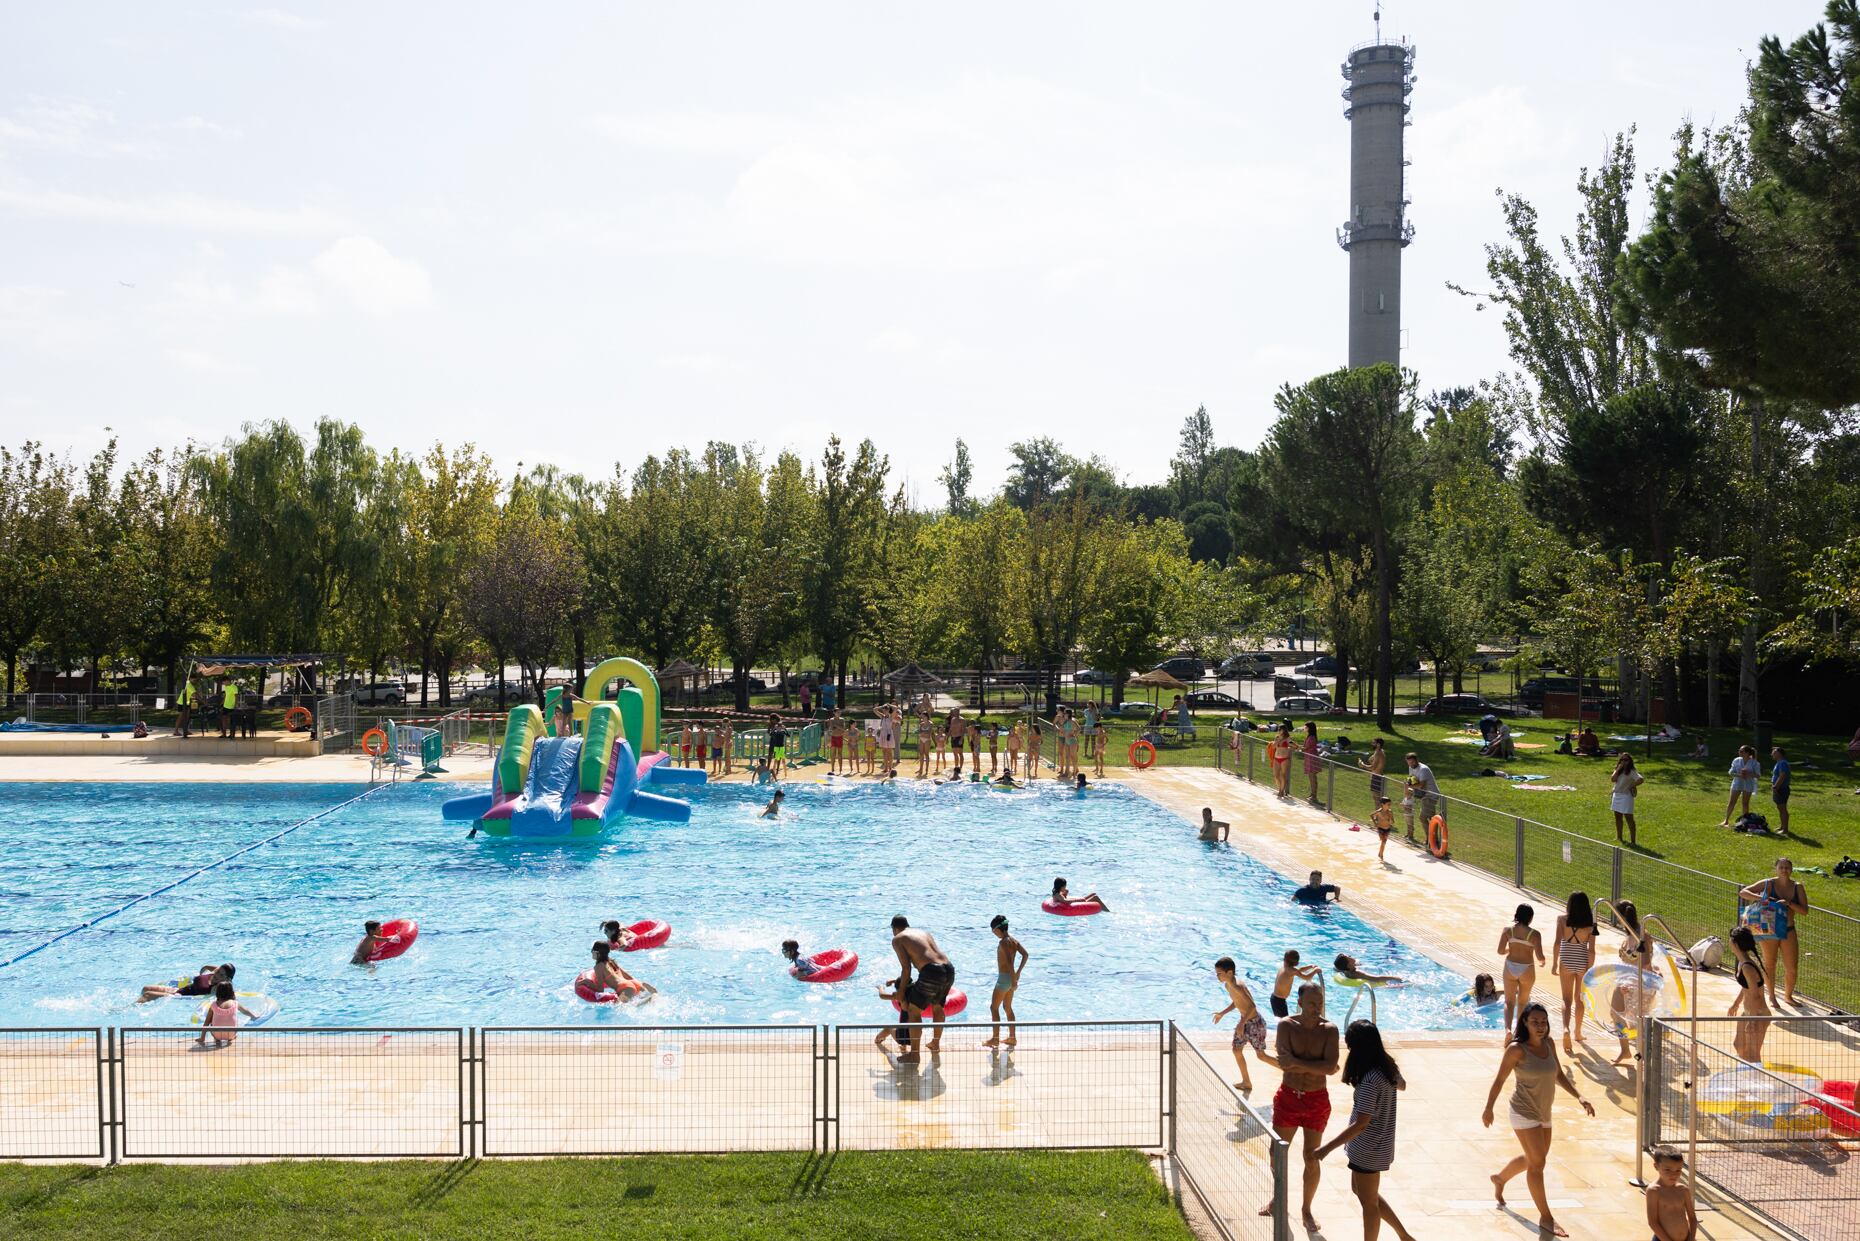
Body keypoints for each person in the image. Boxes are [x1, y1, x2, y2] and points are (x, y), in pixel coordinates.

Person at [1483, 1001, 1595, 1239]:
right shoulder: (1516, 1050)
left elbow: (1558, 1075)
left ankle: (1500, 1178)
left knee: (1534, 1157)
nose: (1540, 1026)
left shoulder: (1549, 1044)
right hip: (1523, 1111)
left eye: (1543, 1022)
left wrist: (1580, 1096)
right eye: (1535, 1022)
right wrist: (1489, 1108)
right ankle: (1546, 1216)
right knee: (1538, 1164)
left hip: (1544, 1111)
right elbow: (1499, 1080)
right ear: (1524, 1022)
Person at [1312, 1020, 1415, 1241]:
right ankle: (1404, 1236)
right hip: (1378, 1146)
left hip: (1369, 1148)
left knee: (1369, 1204)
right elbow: (1403, 1084)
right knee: (1364, 1194)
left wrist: (1326, 1149)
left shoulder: (1370, 1080)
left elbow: (1361, 1123)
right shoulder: (1386, 1069)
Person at [1263, 982, 1339, 1233]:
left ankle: (1306, 1208)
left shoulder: (1329, 1030)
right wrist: (1314, 1065)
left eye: (1320, 1003)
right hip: (1288, 1097)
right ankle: (1279, 1197)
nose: (1317, 1008)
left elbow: (1330, 1068)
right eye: (1311, 1003)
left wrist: (1297, 1062)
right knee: (1277, 1152)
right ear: (1300, 1002)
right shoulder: (1286, 1025)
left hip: (1316, 1099)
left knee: (1311, 1156)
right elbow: (1285, 1065)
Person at [1739, 857, 1808, 1008]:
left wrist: (1789, 903)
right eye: (1781, 867)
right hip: (1769, 929)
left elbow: (1804, 911)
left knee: (1792, 967)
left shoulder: (1798, 887)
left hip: (1788, 930)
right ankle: (1771, 997)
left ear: (1791, 870)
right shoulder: (1769, 883)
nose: (1784, 870)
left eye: (1787, 867)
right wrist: (1762, 898)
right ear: (1776, 869)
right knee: (1769, 964)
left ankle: (1788, 996)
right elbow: (1743, 892)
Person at [891, 915, 955, 1061]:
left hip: (931, 972)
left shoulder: (898, 938)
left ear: (894, 929)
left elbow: (906, 969)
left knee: (914, 1010)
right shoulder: (923, 933)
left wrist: (901, 993)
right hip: (948, 968)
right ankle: (935, 1043)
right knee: (938, 1008)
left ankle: (914, 1054)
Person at [1211, 956, 1273, 1092]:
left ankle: (1291, 1072)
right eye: (1216, 974)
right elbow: (1237, 1002)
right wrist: (1222, 1013)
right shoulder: (1228, 985)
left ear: (1229, 972)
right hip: (1244, 1021)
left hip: (1255, 1023)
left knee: (1261, 1056)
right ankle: (1246, 1082)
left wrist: (1241, 1023)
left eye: (1219, 973)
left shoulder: (1238, 985)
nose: (1217, 976)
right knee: (1236, 1050)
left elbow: (1252, 1006)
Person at [1550, 892, 1596, 1054]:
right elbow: (1591, 951)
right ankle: (1577, 1032)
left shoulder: (1562, 920)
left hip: (1566, 961)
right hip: (1582, 962)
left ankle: (1565, 1029)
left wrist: (1554, 963)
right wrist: (1590, 970)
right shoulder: (1591, 925)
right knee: (1580, 999)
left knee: (1566, 999)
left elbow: (1557, 943)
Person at [1613, 899, 1654, 1065]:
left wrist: (1630, 984)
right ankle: (1627, 1051)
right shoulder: (1631, 934)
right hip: (1628, 981)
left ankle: (1640, 1056)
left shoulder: (1641, 936)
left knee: (1636, 1021)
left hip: (1637, 984)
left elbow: (1645, 964)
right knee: (1618, 1014)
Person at [1497, 904, 1545, 1040]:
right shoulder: (1534, 934)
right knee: (1523, 1002)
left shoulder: (1508, 931)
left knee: (1509, 1001)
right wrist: (1543, 961)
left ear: (1516, 915)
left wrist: (1509, 950)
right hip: (1527, 968)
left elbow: (1500, 951)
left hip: (1510, 967)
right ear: (1530, 918)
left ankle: (1507, 1030)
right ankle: (1519, 1031)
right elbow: (1539, 956)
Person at [1726, 925, 1772, 1064]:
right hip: (1749, 1012)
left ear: (1735, 943)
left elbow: (1756, 996)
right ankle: (1747, 1078)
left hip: (1758, 1014)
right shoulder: (1743, 963)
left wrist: (1752, 1020)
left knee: (1753, 1055)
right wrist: (1736, 1004)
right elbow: (1746, 988)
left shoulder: (1747, 966)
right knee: (1739, 1046)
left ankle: (1756, 1081)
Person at [983, 914, 1028, 1048]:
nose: (994, 934)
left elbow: (1009, 962)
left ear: (998, 929)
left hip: (1004, 979)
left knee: (994, 1007)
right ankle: (1012, 1038)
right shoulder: (1013, 940)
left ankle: (995, 1039)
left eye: (993, 931)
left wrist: (1014, 979)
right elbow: (1025, 955)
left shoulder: (1003, 942)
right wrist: (1018, 974)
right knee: (1007, 1007)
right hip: (1010, 978)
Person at [1645, 1147, 1699, 1241]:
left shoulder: (1683, 1190)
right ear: (1656, 1166)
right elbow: (1653, 1222)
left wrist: (1691, 1238)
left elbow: (1692, 1217)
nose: (1673, 1174)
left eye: (1678, 1170)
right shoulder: (1654, 1191)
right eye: (1668, 1170)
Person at [195, 981, 257, 1048]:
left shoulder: (213, 1005)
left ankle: (217, 1040)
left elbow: (206, 1022)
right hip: (231, 1034)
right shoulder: (235, 1003)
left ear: (217, 992)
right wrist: (254, 1016)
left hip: (216, 1035)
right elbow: (246, 1011)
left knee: (211, 1021)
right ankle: (231, 1038)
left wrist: (202, 1038)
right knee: (235, 1021)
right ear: (231, 992)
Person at [587, 941, 655, 1002]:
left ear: (596, 953)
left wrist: (587, 983)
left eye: (592, 950)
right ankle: (648, 991)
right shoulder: (612, 962)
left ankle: (646, 1000)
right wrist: (639, 985)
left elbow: (600, 989)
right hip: (633, 983)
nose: (591, 952)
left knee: (621, 1007)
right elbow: (628, 976)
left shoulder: (598, 967)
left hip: (624, 987)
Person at [140, 962, 233, 1003]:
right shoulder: (216, 971)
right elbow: (206, 967)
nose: (217, 974)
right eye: (218, 971)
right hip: (179, 989)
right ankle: (141, 1003)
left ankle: (128, 1009)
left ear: (226, 979)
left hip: (179, 996)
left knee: (147, 994)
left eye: (221, 975)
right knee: (145, 988)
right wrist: (201, 972)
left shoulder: (217, 987)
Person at [1271, 949, 1322, 1018]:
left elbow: (1299, 970)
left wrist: (1310, 966)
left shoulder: (1285, 968)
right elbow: (1306, 977)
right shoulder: (1291, 970)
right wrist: (1315, 970)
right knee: (1285, 1022)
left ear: (1284, 959)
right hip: (1279, 1001)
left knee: (1283, 1020)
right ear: (1296, 963)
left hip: (1275, 999)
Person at [1720, 744, 1761, 826]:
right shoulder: (1736, 760)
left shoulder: (1755, 763)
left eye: (1741, 751)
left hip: (1748, 784)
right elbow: (1731, 772)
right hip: (1737, 783)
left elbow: (1758, 775)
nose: (1739, 752)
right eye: (1739, 750)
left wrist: (1749, 774)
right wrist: (1740, 775)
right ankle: (1726, 820)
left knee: (1745, 803)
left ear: (1747, 753)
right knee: (1732, 802)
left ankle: (1744, 822)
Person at [1610, 751, 1645, 845]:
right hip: (1616, 795)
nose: (1624, 762)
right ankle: (1619, 837)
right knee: (1617, 817)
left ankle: (1633, 841)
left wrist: (1632, 786)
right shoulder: (1618, 769)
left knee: (1629, 818)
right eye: (1622, 760)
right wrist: (1617, 770)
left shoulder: (1632, 771)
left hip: (1626, 796)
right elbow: (1613, 779)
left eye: (1626, 760)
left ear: (1630, 761)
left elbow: (1641, 779)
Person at [1402, 753, 1439, 827]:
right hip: (1424, 795)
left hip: (1431, 795)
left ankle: (1430, 838)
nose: (1411, 765)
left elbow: (1421, 785)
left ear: (1417, 760)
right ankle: (1433, 838)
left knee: (1422, 817)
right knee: (1432, 818)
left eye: (1412, 762)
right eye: (1408, 763)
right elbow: (1412, 779)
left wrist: (1409, 786)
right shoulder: (1411, 767)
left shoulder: (1423, 769)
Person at [1334, 955, 1403, 986]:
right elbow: (1376, 978)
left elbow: (1336, 968)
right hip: (1375, 982)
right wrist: (1395, 977)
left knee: (1359, 963)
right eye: (1349, 957)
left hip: (1349, 967)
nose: (1350, 956)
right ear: (1349, 965)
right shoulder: (1357, 973)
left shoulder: (1344, 970)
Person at [1770, 745, 1792, 836]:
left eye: (1774, 752)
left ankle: (1785, 829)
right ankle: (1782, 826)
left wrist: (1776, 787)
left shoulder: (1782, 763)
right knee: (1780, 808)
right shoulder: (1779, 762)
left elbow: (1782, 776)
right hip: (1779, 788)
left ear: (1779, 753)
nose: (1772, 754)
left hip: (1781, 789)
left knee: (1783, 809)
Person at [1270, 723, 1294, 797]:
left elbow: (1293, 745)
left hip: (1284, 759)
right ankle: (1280, 788)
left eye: (1281, 729)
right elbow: (1273, 747)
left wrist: (1290, 748)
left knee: (1283, 775)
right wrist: (1278, 740)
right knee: (1276, 775)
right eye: (1279, 729)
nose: (1279, 731)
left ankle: (1281, 791)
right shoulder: (1277, 737)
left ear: (1284, 730)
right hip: (1276, 758)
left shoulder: (1288, 738)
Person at [1301, 721, 1322, 801]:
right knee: (1311, 777)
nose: (1304, 728)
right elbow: (1305, 747)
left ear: (1309, 728)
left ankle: (1314, 796)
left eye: (1306, 727)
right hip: (1309, 758)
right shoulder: (1309, 736)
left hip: (1312, 759)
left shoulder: (1311, 737)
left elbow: (1305, 748)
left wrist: (1295, 746)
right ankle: (1312, 794)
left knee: (1313, 778)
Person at [1370, 796, 1394, 862]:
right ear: (1383, 804)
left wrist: (1390, 822)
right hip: (1380, 828)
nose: (1389, 806)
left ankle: (1380, 854)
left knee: (1384, 842)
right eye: (1388, 804)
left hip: (1387, 829)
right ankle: (1381, 855)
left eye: (1390, 804)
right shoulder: (1379, 812)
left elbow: (1393, 821)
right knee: (1383, 841)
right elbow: (1371, 815)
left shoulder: (1390, 812)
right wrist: (1375, 822)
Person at [767, 714, 789, 779]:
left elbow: (785, 732)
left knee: (778, 756)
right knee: (770, 754)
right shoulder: (770, 724)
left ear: (776, 719)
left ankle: (777, 769)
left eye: (773, 720)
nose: (772, 721)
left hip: (778, 742)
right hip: (773, 741)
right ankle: (768, 768)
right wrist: (772, 732)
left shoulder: (780, 724)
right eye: (771, 720)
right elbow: (768, 732)